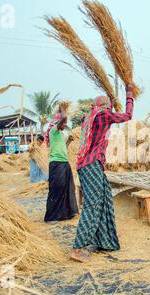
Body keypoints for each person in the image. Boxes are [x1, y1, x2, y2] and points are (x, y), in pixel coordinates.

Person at [70, 84, 135, 263]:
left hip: (89, 165)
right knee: (93, 204)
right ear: (105, 107)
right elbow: (127, 116)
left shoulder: (88, 117)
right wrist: (129, 96)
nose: (109, 110)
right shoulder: (102, 115)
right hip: (91, 165)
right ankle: (78, 247)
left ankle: (103, 241)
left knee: (105, 197)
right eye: (109, 107)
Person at [44, 104, 79, 223]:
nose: (65, 125)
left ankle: (66, 214)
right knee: (56, 188)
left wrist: (68, 141)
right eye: (64, 123)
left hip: (64, 163)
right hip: (56, 164)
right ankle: (51, 216)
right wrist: (63, 109)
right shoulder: (54, 130)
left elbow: (63, 147)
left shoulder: (59, 134)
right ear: (58, 122)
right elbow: (63, 118)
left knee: (67, 188)